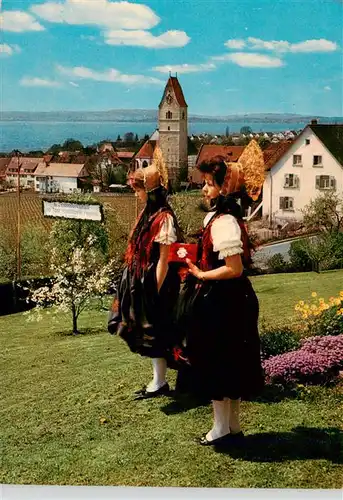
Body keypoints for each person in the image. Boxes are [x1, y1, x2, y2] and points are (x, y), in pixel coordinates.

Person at [173, 149, 265, 446]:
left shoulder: (224, 221)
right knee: (231, 365)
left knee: (218, 363)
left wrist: (200, 274)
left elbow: (233, 269)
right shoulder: (223, 217)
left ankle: (220, 428)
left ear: (224, 187)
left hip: (224, 302)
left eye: (210, 183)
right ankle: (232, 427)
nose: (204, 187)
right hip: (231, 300)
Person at [108, 148, 183, 400]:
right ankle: (157, 381)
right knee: (147, 332)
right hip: (141, 280)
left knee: (156, 331)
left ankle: (160, 382)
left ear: (151, 192)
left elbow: (164, 259)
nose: (137, 195)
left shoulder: (164, 219)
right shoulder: (147, 214)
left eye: (139, 190)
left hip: (156, 283)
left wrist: (155, 290)